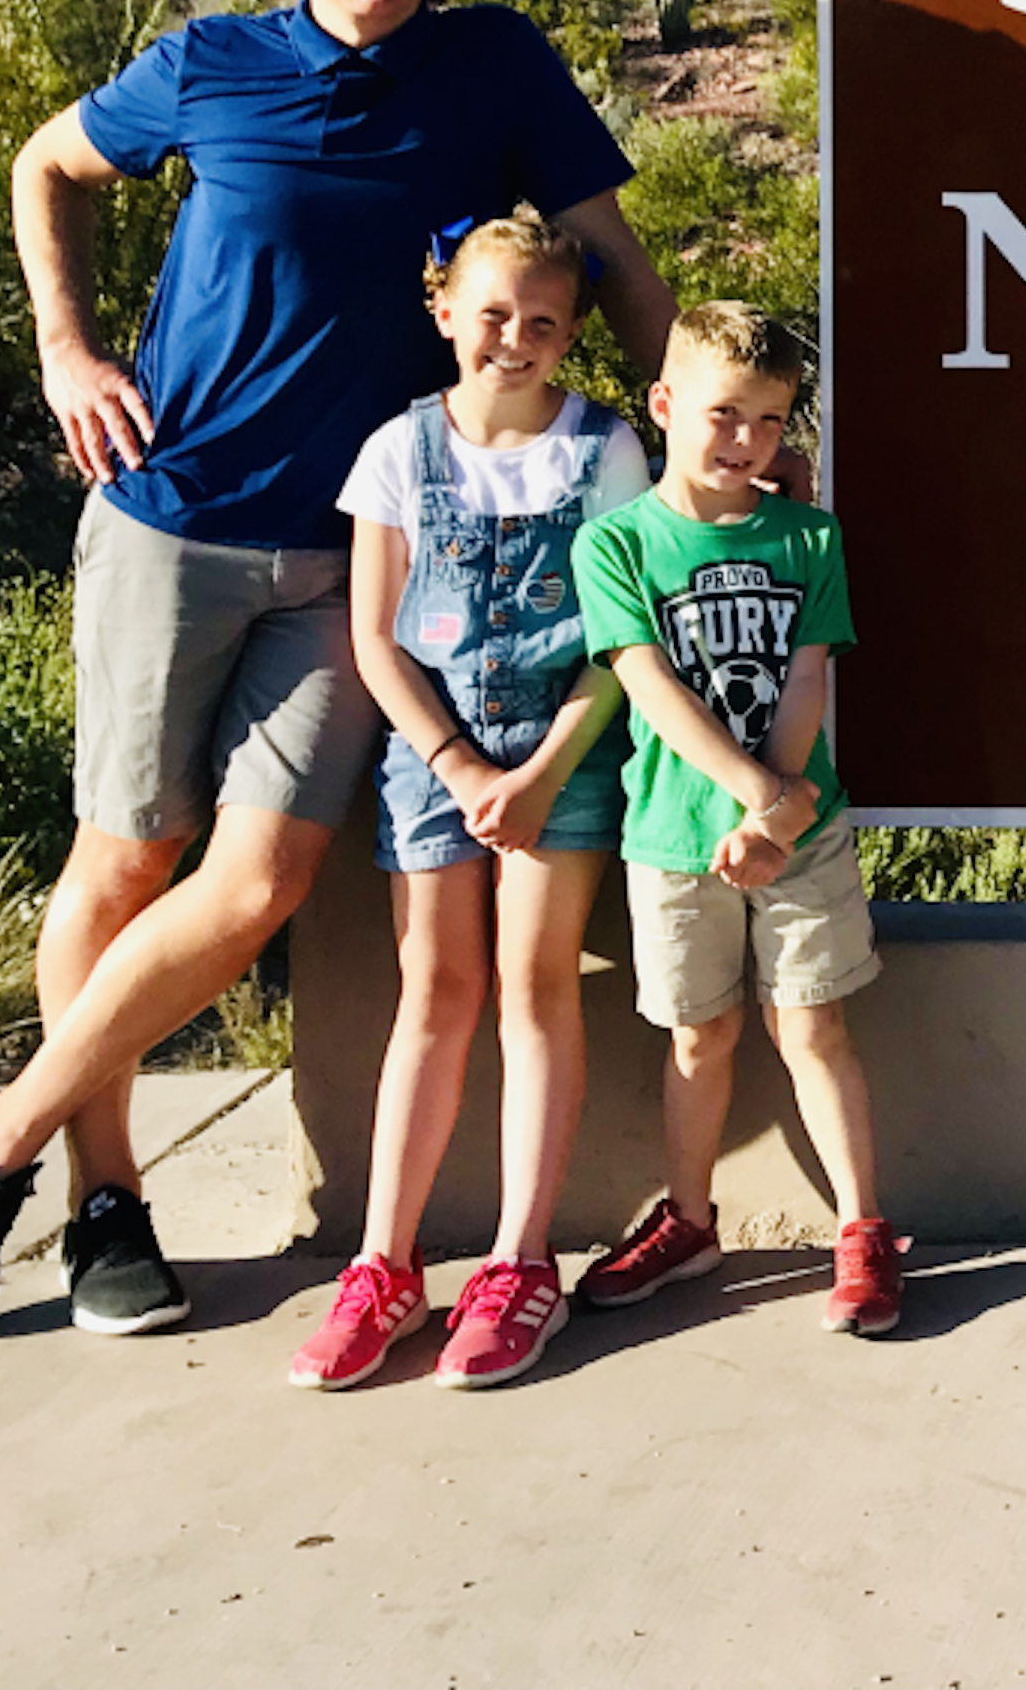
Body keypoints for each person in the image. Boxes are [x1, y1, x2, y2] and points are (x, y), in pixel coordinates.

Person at [0, 0, 670, 1339]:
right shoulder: (208, 64)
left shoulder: (494, 66)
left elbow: (604, 251)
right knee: (128, 857)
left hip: (358, 553)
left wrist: (692, 440)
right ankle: (101, 1200)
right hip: (169, 510)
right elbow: (45, 165)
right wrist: (67, 346)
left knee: (256, 883)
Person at [289, 209, 649, 1392]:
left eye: (542, 323)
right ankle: (384, 1264)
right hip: (430, 755)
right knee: (436, 989)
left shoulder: (603, 456)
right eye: (492, 314)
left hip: (565, 753)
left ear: (570, 335)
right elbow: (378, 636)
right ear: (444, 309)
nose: (514, 340)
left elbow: (618, 643)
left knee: (536, 988)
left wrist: (540, 771)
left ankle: (518, 1259)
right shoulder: (398, 451)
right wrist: (454, 765)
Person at [567, 301, 898, 1337]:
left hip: (802, 838)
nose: (744, 442)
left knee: (813, 1024)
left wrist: (782, 816)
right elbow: (647, 684)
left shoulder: (809, 536)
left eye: (767, 420)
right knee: (700, 1037)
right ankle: (691, 1220)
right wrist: (760, 799)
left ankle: (862, 1230)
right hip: (673, 836)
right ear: (665, 405)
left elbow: (808, 678)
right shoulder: (615, 544)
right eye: (722, 416)